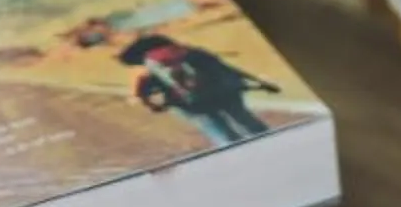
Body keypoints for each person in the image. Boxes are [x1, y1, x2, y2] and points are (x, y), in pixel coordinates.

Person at [117, 30, 279, 146]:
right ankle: (273, 147)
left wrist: (154, 104)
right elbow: (227, 69)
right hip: (224, 95)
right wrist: (259, 83)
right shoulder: (194, 53)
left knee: (225, 135)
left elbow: (144, 92)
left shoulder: (151, 69)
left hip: (194, 105)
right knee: (249, 123)